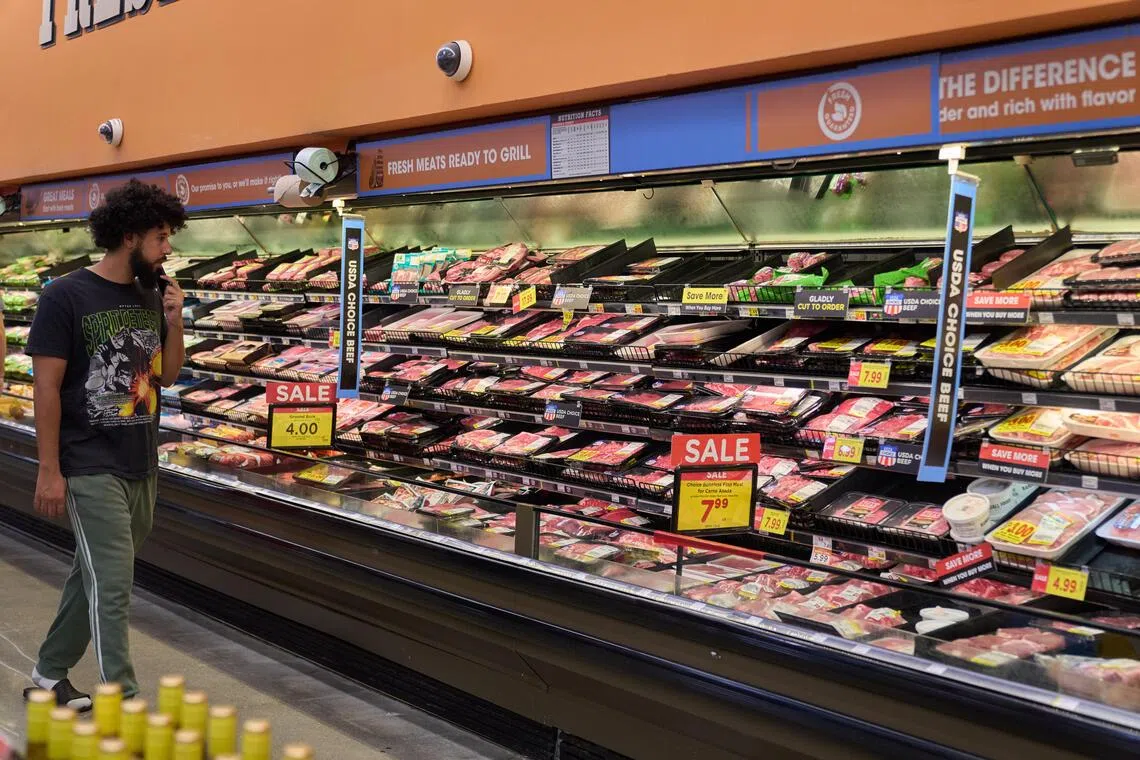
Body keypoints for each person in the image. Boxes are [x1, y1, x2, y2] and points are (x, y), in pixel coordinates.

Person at [24, 179, 187, 709]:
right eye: (160, 237)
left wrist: (174, 320)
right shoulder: (64, 296)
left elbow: (167, 376)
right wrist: (49, 469)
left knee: (92, 574)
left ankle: (49, 672)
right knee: (114, 584)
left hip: (141, 459)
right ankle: (124, 702)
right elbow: (46, 388)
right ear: (129, 236)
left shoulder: (150, 295)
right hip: (88, 461)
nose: (168, 249)